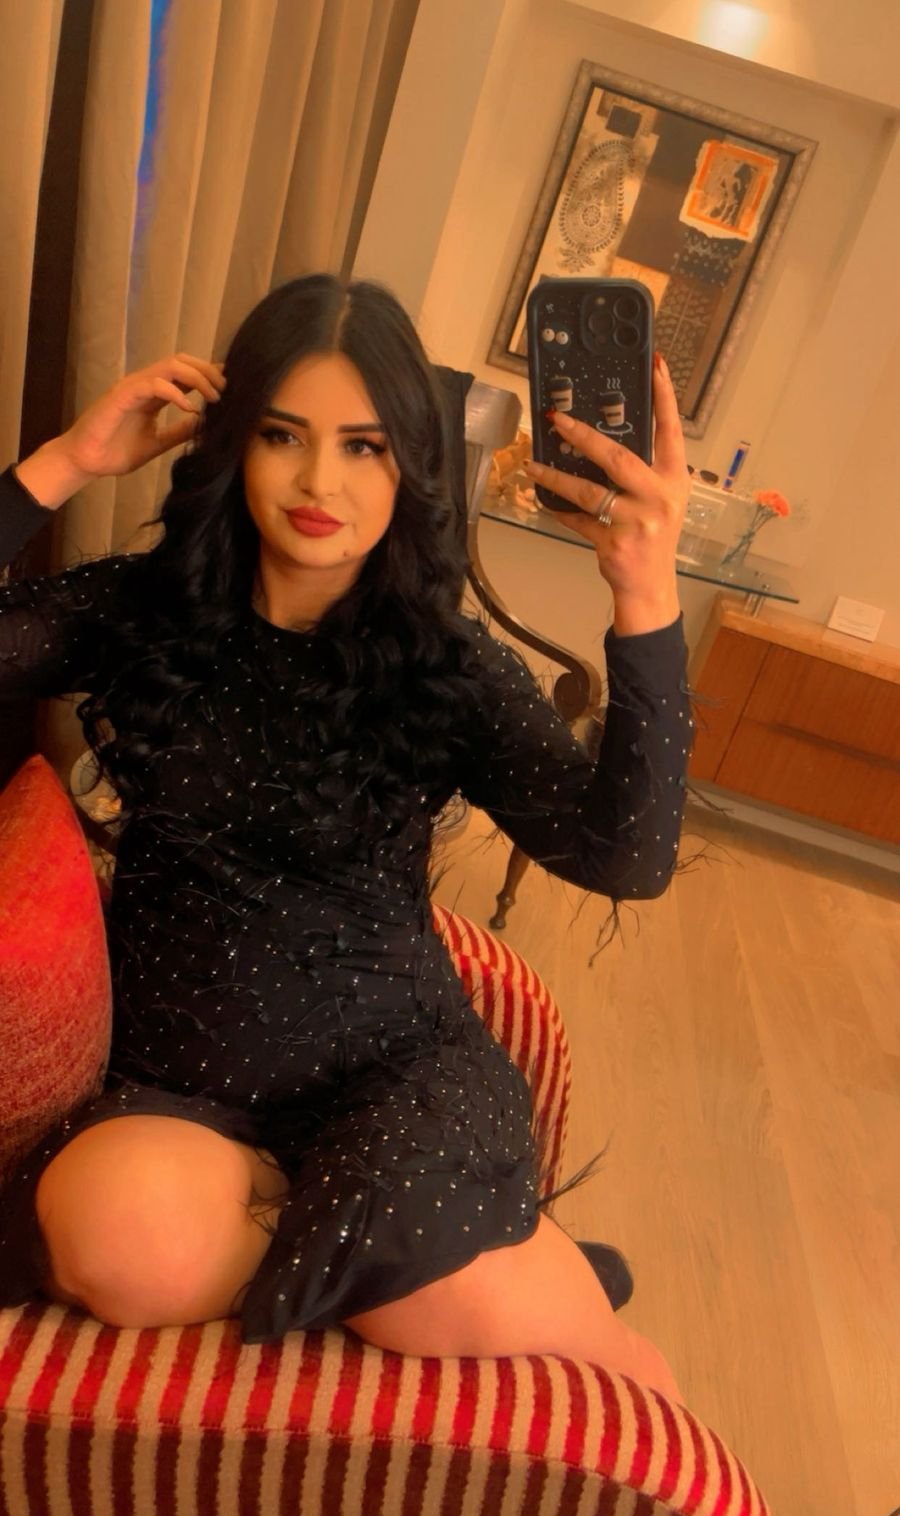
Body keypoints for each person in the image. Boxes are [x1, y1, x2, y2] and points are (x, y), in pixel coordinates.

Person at [0, 274, 690, 1404]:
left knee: (527, 1335)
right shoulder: (143, 611)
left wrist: (647, 596)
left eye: (364, 447)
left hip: (388, 1068)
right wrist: (64, 464)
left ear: (410, 464)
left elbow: (625, 857)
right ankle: (389, 1253)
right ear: (234, 442)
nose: (321, 483)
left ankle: (412, 1260)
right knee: (111, 1240)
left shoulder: (446, 663)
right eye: (284, 435)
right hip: (182, 1084)